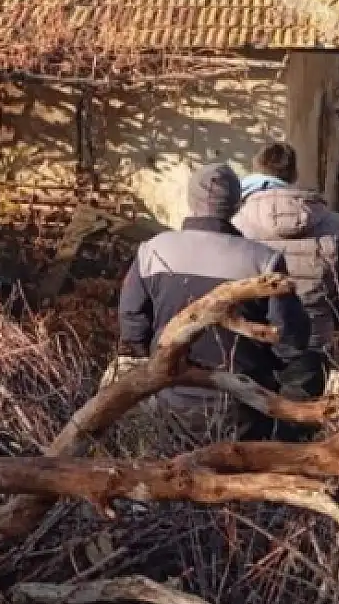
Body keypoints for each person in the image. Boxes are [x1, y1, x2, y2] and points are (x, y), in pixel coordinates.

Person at [118, 164, 313, 438]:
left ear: (189, 201)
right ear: (236, 205)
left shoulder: (152, 251)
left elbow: (132, 327)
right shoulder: (264, 261)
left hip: (169, 398)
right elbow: (291, 340)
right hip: (243, 403)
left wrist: (157, 360)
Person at [233, 142, 339, 386]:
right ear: (294, 175)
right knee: (304, 410)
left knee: (254, 407)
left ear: (256, 170)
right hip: (314, 335)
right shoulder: (333, 223)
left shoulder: (237, 221)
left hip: (254, 334)